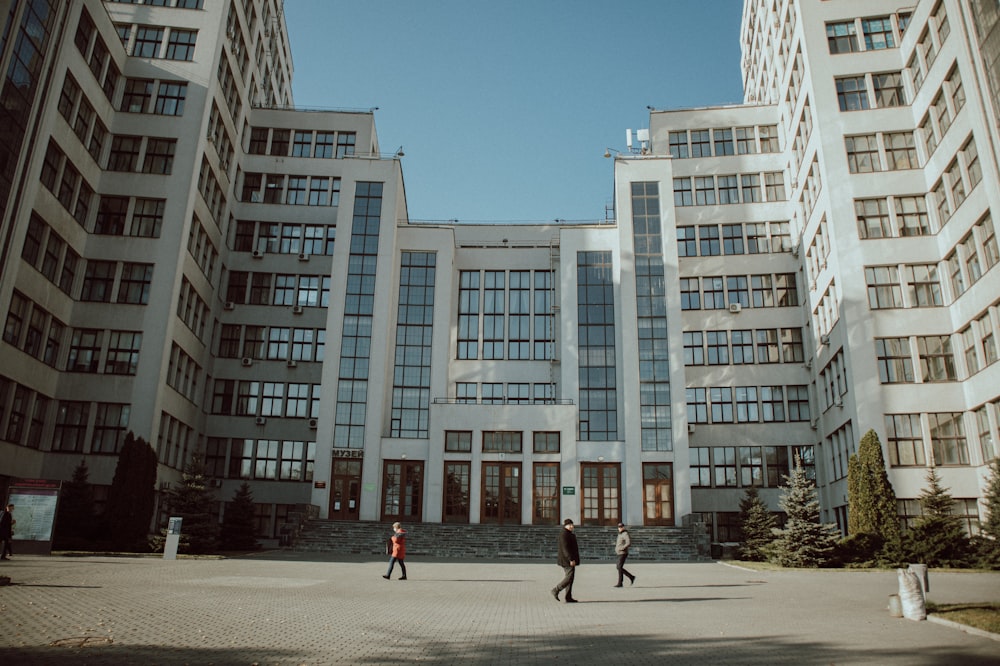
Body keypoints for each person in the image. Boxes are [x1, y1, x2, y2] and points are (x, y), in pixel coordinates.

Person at [551, 518, 579, 603]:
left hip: (569, 559)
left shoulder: (568, 533)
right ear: (565, 525)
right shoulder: (564, 534)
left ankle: (568, 597)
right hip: (567, 560)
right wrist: (570, 559)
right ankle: (556, 589)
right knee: (569, 577)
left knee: (571, 577)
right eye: (570, 525)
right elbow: (565, 549)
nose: (572, 526)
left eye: (572, 524)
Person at [614, 522, 636, 587]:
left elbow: (628, 542)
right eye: (619, 527)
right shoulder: (620, 534)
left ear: (623, 527)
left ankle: (629, 578)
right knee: (619, 567)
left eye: (621, 527)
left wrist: (622, 548)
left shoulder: (625, 533)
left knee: (619, 567)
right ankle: (623, 581)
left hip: (623, 553)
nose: (620, 528)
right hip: (619, 553)